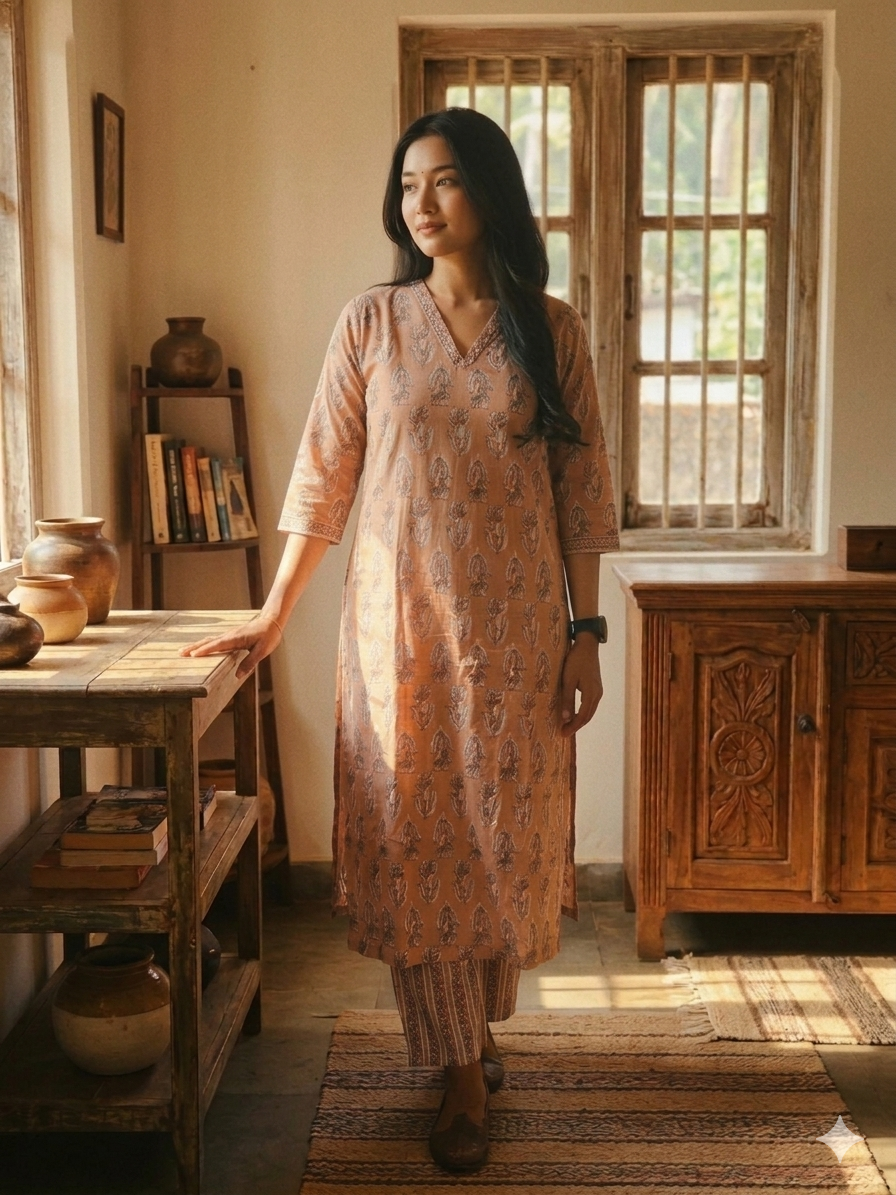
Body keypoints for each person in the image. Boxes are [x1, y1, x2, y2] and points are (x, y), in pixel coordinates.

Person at [181, 107, 618, 1173]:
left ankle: (469, 1028)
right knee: (421, 841)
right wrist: (274, 612)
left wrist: (586, 631)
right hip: (399, 639)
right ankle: (459, 1073)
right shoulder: (370, 323)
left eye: (446, 181)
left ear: (491, 195)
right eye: (409, 184)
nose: (420, 202)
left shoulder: (550, 330)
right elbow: (320, 478)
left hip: (518, 642)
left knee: (498, 844)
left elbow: (581, 494)